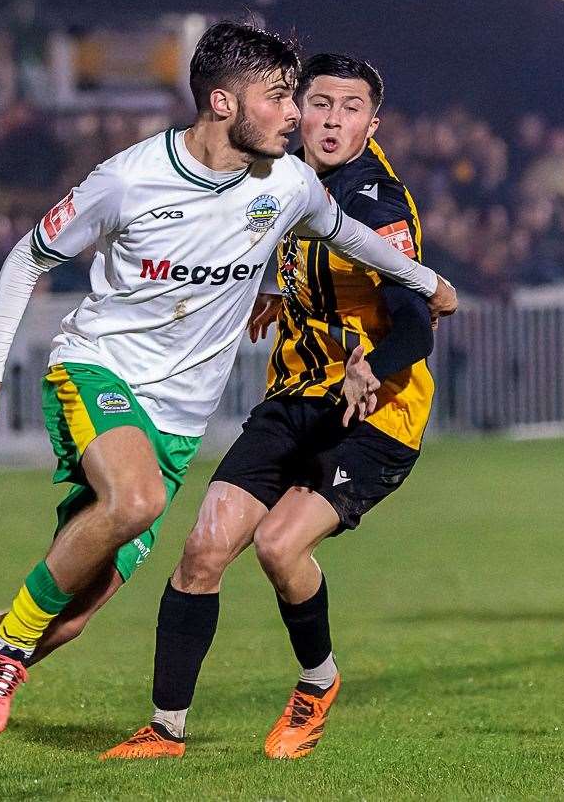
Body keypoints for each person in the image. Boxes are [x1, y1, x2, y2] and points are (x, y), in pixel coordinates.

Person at [0, 22, 457, 762]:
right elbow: (25, 257)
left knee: (64, 617)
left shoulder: (287, 184)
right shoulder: (131, 177)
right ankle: (15, 654)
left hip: (176, 426)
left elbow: (350, 239)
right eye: (285, 98)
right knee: (136, 505)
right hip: (98, 371)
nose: (298, 116)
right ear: (225, 103)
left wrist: (427, 283)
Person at [104, 53, 435, 761]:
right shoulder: (282, 179)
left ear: (372, 124)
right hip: (292, 401)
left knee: (280, 545)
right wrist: (278, 289)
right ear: (297, 108)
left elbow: (416, 321)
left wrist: (369, 367)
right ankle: (165, 729)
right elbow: (281, 246)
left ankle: (318, 680)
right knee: (203, 547)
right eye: (320, 103)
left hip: (375, 413)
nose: (332, 120)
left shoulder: (377, 203)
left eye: (351, 108)